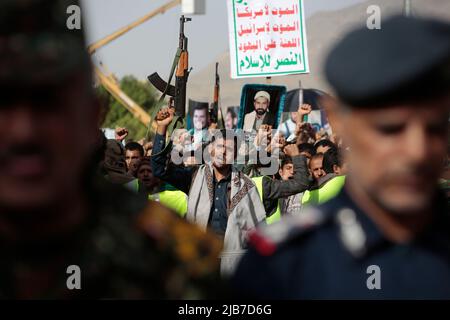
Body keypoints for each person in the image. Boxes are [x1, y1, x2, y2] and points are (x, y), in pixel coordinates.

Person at [0, 0, 222, 299]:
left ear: (93, 115)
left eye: (48, 103)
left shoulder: (175, 258)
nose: (24, 132)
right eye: (4, 102)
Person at [233, 15, 450, 299]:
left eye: (435, 129)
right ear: (339, 121)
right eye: (390, 129)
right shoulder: (284, 265)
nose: (417, 152)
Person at [152, 109, 266, 276]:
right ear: (210, 149)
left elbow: (259, 232)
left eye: (229, 149)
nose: (223, 152)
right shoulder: (194, 176)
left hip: (233, 266)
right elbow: (158, 169)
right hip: (196, 262)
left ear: (235, 155)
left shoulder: (247, 187)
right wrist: (162, 128)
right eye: (219, 146)